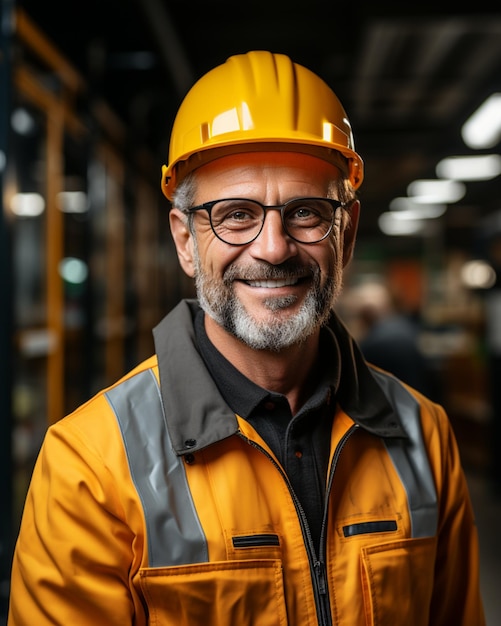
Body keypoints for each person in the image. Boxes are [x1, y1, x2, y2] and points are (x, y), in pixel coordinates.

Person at [8, 51, 485, 625]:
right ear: (186, 241)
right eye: (235, 214)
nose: (274, 247)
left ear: (348, 233)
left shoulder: (424, 435)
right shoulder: (88, 467)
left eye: (306, 212)